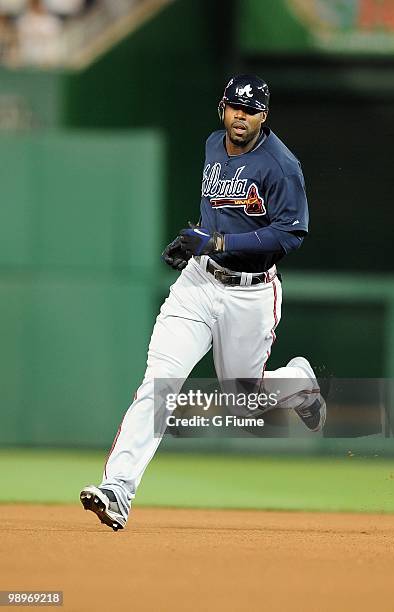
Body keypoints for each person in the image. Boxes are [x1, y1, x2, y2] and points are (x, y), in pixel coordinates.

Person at [80, 74, 326, 531]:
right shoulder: (214, 144)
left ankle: (298, 382)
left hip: (251, 293)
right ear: (223, 107)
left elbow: (290, 235)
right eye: (235, 107)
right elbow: (217, 216)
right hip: (197, 285)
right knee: (161, 383)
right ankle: (118, 488)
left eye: (250, 110)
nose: (240, 116)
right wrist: (195, 241)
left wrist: (216, 241)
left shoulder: (280, 165)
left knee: (243, 395)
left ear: (263, 116)